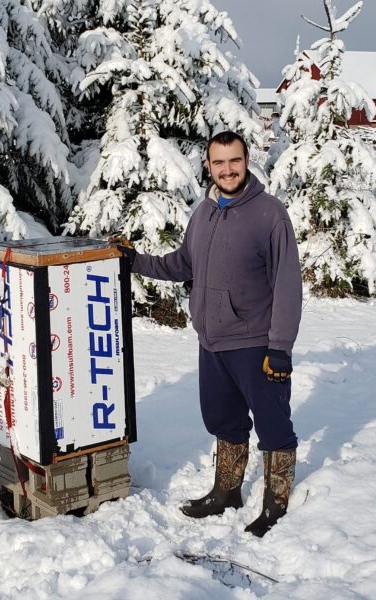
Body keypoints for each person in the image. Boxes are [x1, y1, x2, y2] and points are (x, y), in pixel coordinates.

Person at [118, 131, 302, 537]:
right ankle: (227, 491)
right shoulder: (203, 213)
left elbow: (288, 284)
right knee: (223, 420)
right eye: (219, 163)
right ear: (208, 166)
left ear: (247, 159)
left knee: (273, 425)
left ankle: (276, 503)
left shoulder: (270, 215)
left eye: (234, 161)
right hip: (212, 340)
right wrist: (135, 262)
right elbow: (184, 263)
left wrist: (280, 348)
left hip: (255, 342)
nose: (227, 169)